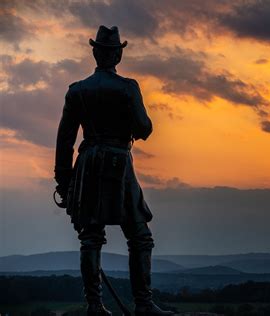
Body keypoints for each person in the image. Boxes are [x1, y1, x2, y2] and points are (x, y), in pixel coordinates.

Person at [54, 25, 173, 316]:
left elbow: (65, 139)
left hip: (89, 163)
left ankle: (95, 306)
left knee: (90, 236)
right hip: (119, 163)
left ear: (96, 53)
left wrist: (64, 181)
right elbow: (144, 128)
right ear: (117, 55)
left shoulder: (77, 91)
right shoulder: (128, 88)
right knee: (139, 235)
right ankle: (143, 304)